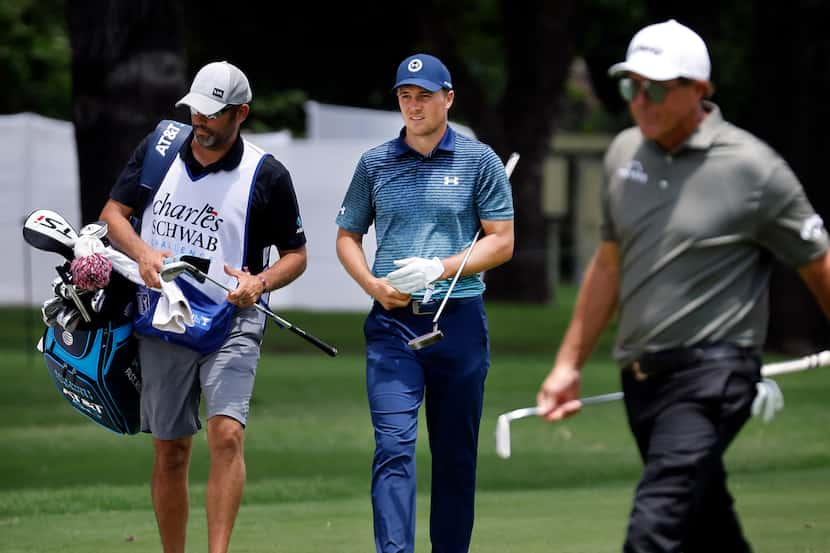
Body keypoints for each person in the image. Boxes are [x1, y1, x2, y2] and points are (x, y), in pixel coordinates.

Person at [536, 19, 830, 553]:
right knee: (706, 523)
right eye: (631, 87)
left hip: (714, 374)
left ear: (700, 90)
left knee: (656, 523)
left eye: (656, 88)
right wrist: (567, 364)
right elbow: (609, 263)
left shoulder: (754, 169)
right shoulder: (624, 154)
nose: (641, 101)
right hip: (642, 378)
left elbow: (819, 264)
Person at [100, 60, 307, 553]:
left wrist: (259, 282)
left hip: (234, 317)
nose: (201, 121)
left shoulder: (267, 174)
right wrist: (145, 253)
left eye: (213, 113)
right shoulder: (159, 148)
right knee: (170, 450)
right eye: (196, 110)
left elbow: (296, 255)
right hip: (164, 315)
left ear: (241, 113)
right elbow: (113, 216)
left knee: (227, 435)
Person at [335, 53, 514, 553]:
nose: (413, 106)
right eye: (405, 97)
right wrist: (372, 284)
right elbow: (347, 235)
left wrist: (440, 267)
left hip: (459, 321)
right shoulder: (375, 162)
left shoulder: (480, 160)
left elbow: (501, 241)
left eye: (424, 96)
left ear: (448, 98)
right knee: (393, 447)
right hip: (393, 324)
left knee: (456, 457)